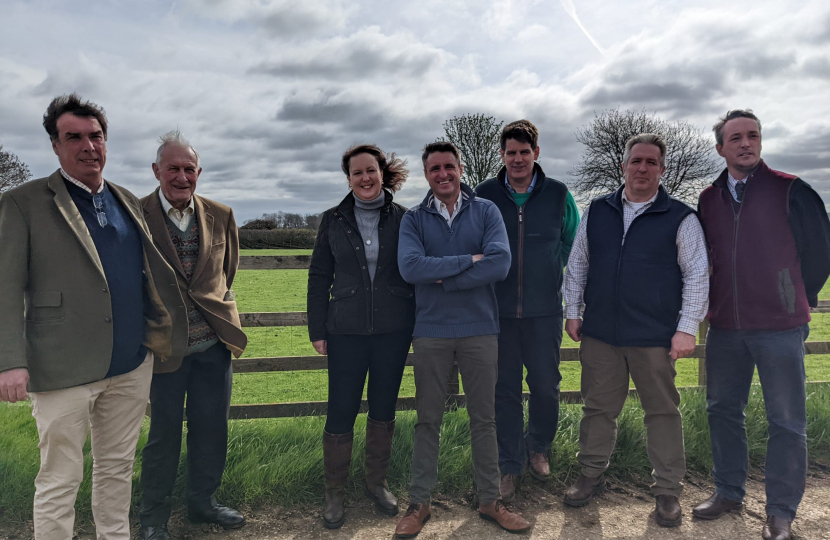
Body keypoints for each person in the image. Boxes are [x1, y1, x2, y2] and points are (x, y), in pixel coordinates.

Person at [0, 93, 182, 540]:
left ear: (106, 141)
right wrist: (9, 360)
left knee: (117, 470)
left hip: (130, 364)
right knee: (60, 479)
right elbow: (3, 285)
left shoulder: (125, 199)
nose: (88, 146)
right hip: (62, 367)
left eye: (96, 136)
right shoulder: (22, 202)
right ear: (55, 145)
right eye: (74, 137)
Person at [693, 110, 830, 540]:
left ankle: (781, 512)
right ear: (721, 148)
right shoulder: (708, 198)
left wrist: (791, 298)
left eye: (752, 135)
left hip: (779, 328)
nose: (746, 143)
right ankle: (729, 490)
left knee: (786, 420)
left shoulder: (791, 190)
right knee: (722, 411)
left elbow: (820, 254)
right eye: (735, 138)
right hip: (726, 328)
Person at [562, 133, 709, 527]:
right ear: (624, 165)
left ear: (662, 169)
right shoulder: (598, 210)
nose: (642, 168)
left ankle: (667, 491)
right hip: (601, 334)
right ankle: (590, 475)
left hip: (655, 336)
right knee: (597, 410)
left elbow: (696, 275)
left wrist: (686, 328)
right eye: (636, 161)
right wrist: (572, 311)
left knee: (661, 412)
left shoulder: (681, 217)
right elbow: (578, 263)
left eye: (651, 162)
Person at [394, 141, 530, 537]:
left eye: (449, 166)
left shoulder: (486, 210)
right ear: (426, 174)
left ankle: (490, 499)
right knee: (427, 420)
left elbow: (500, 263)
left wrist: (442, 278)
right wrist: (469, 262)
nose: (443, 174)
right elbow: (410, 267)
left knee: (484, 418)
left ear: (461, 168)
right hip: (432, 332)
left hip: (480, 330)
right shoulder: (414, 219)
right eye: (434, 168)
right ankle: (419, 502)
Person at [138, 130, 249, 540]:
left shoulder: (220, 214)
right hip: (164, 348)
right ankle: (153, 517)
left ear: (198, 171)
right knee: (163, 434)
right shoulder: (136, 213)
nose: (181, 176)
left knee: (211, 429)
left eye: (189, 168)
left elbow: (225, 271)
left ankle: (203, 503)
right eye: (173, 168)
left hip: (212, 346)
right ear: (157, 171)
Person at [307, 144, 415, 529]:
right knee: (341, 408)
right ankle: (334, 491)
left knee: (384, 407)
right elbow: (320, 275)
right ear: (348, 178)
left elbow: (415, 272)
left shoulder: (406, 219)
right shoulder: (333, 220)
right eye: (357, 173)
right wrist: (317, 328)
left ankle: (376, 482)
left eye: (371, 170)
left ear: (382, 173)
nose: (365, 178)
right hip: (345, 331)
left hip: (393, 328)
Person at [475, 120, 580, 500]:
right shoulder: (484, 195)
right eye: (510, 152)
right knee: (502, 390)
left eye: (524, 152)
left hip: (544, 311)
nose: (517, 159)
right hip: (496, 312)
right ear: (501, 155)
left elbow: (573, 242)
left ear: (536, 153)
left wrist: (552, 269)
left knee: (545, 387)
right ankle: (509, 463)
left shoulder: (558, 194)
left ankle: (538, 448)